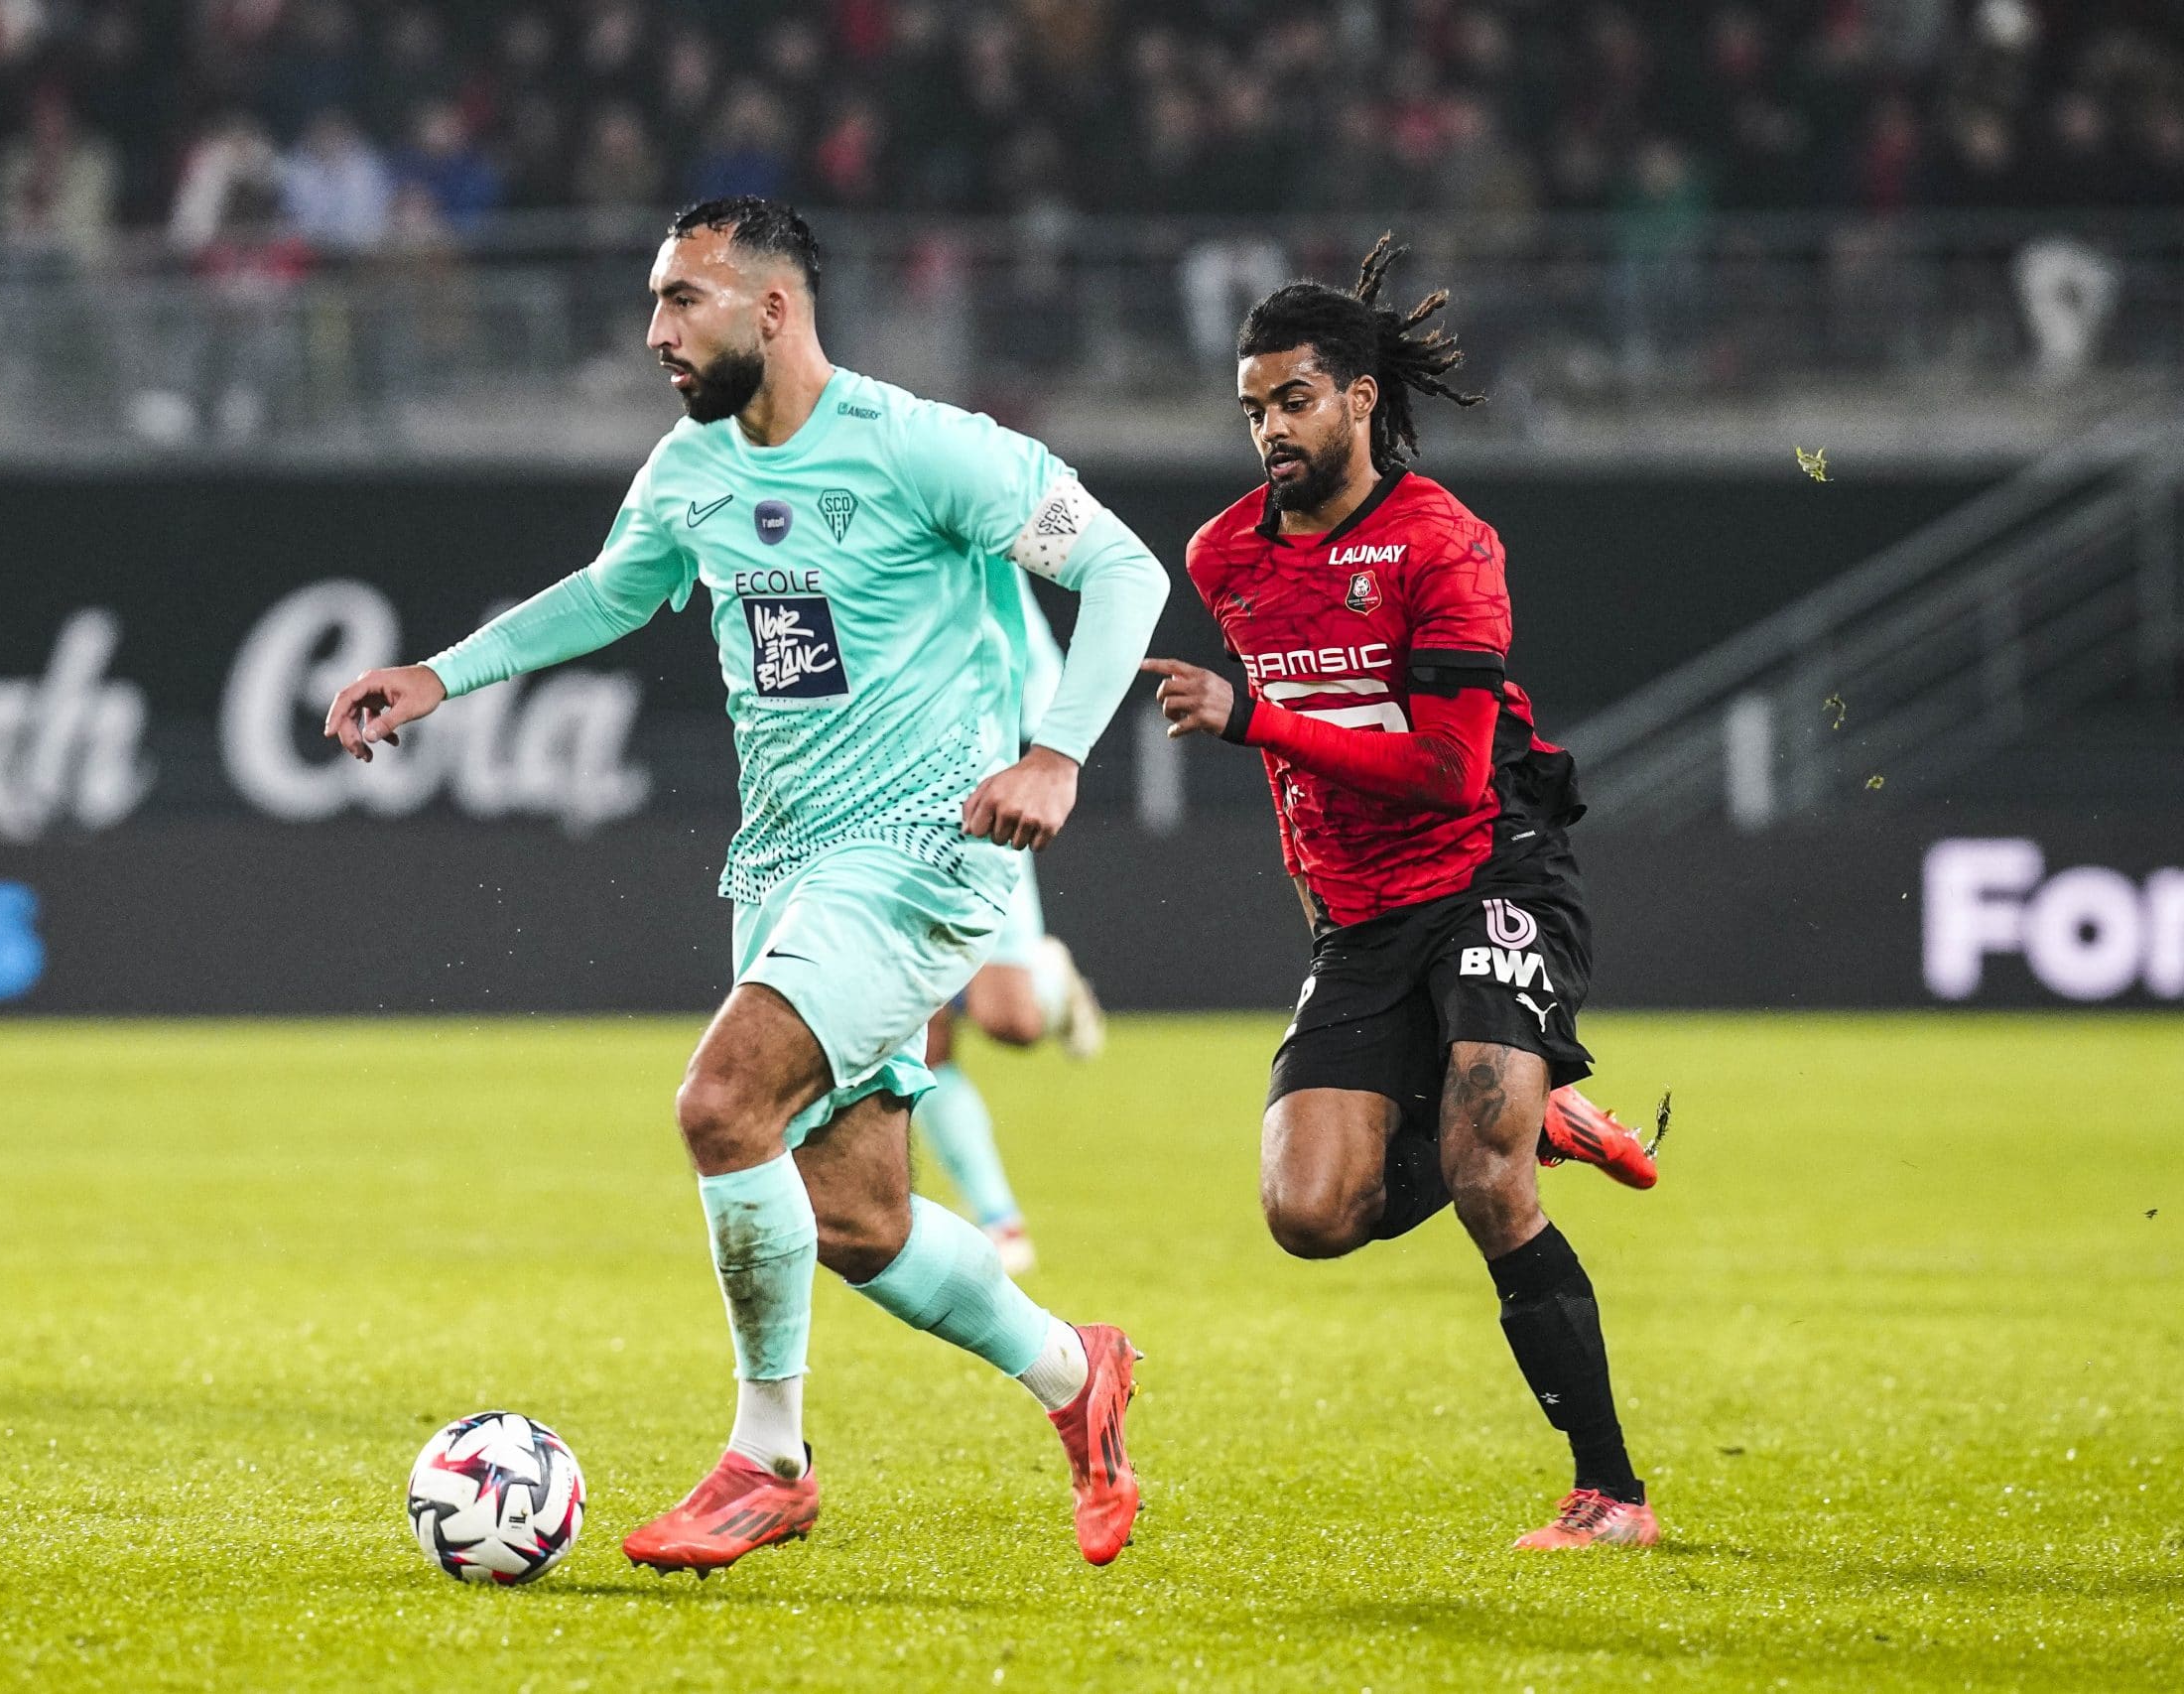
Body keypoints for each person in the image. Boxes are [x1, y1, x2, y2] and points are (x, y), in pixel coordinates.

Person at [323, 196, 1169, 1575]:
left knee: (721, 1104)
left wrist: (1059, 751)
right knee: (858, 1219)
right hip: (779, 861)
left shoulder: (922, 447)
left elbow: (1125, 569)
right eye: (656, 303)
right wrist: (438, 675)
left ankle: (767, 1459)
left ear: (772, 309)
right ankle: (1078, 1370)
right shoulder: (688, 467)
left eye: (682, 300)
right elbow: (611, 590)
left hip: (914, 849)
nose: (657, 331)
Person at [1141, 236, 1660, 1549]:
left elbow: (1441, 768)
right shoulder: (1226, 556)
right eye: (1252, 406)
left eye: (1294, 400)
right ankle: (1534, 1107)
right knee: (1310, 1213)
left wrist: (1255, 714)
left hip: (1492, 863)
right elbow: (1302, 785)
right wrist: (1318, 899)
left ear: (1361, 397)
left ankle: (1612, 1492)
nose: (1270, 427)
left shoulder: (1444, 542)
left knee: (1483, 1176)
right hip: (1365, 915)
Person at [913, 584, 1109, 1276]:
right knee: (921, 1034)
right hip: (873, 816)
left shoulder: (974, 548)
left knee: (1011, 1022)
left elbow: (1043, 673)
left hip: (973, 814)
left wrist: (1040, 759)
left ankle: (1050, 985)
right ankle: (997, 1216)